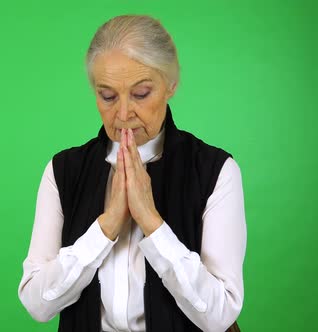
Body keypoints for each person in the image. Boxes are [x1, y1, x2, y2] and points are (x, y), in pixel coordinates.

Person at [17, 15, 246, 332]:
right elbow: (36, 303)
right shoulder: (63, 171)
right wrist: (106, 225)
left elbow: (220, 314)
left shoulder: (215, 171)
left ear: (171, 85)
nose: (123, 114)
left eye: (141, 94)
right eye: (107, 96)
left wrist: (151, 222)